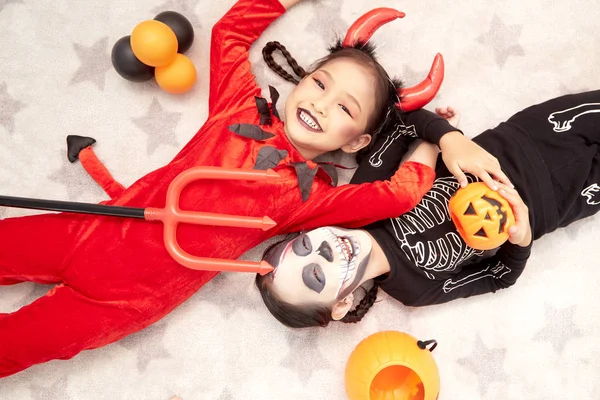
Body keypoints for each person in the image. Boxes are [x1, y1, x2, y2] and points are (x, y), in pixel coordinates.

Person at [0, 0, 505, 377]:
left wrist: (432, 137)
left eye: (346, 110)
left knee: (15, 345)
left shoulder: (311, 196)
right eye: (320, 83)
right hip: (90, 228)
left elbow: (398, 194)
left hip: (129, 297)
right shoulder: (239, 107)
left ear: (360, 140)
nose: (324, 104)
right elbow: (228, 34)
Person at [256, 90, 600, 328]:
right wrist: (521, 238)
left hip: (530, 136)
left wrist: (443, 136)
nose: (323, 251)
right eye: (315, 275)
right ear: (340, 304)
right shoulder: (415, 290)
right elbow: (500, 277)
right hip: (562, 201)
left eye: (304, 245)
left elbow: (405, 122)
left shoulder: (361, 198)